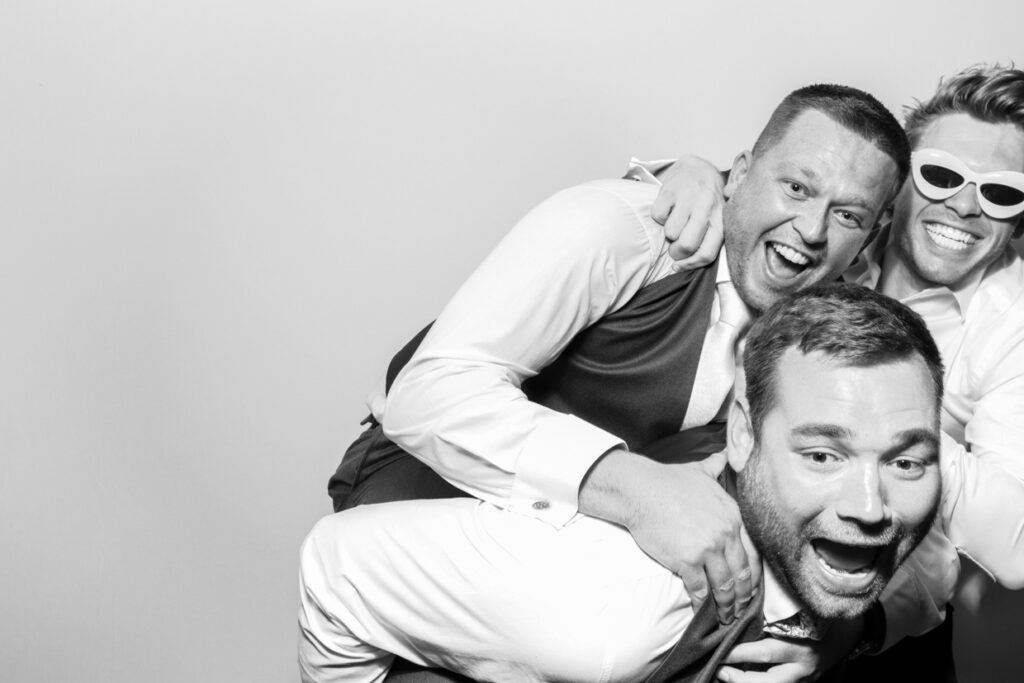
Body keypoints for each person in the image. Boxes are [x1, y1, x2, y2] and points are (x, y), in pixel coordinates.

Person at [326, 83, 908, 647]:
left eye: (848, 216)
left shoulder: (832, 319)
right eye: (797, 188)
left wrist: (836, 635)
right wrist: (636, 489)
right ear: (742, 171)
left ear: (872, 233)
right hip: (426, 490)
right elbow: (427, 393)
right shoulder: (624, 228)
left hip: (594, 547)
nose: (811, 231)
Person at [299, 284, 945, 683]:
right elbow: (335, 565)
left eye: (907, 462)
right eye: (824, 454)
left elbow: (937, 572)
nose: (871, 506)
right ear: (743, 434)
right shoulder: (614, 608)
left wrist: (848, 632)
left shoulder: (841, 552)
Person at [646, 63, 1024, 681]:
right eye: (941, 175)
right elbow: (768, 187)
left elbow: (1015, 545)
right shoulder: (828, 234)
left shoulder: (1015, 325)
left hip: (883, 603)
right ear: (896, 180)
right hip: (719, 526)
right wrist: (687, 172)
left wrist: (890, 427)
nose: (963, 205)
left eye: (1002, 191)